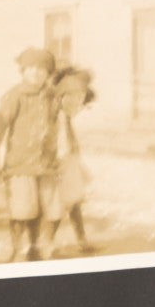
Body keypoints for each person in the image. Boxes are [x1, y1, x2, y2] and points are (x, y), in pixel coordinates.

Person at [0, 47, 62, 262]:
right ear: (23, 71)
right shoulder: (14, 95)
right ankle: (18, 248)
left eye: (42, 69)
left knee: (53, 209)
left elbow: (60, 121)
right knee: (22, 210)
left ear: (48, 73)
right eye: (31, 68)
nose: (37, 73)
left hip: (47, 162)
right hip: (20, 162)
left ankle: (41, 245)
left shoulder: (52, 96)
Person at [50, 66, 97, 254]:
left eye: (80, 97)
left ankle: (81, 240)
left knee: (74, 200)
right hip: (58, 162)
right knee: (60, 202)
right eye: (70, 97)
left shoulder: (67, 116)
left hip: (70, 160)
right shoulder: (55, 116)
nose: (76, 102)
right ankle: (48, 242)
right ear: (60, 97)